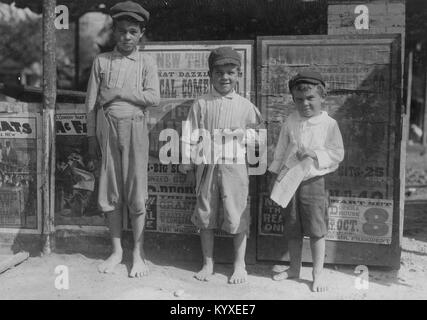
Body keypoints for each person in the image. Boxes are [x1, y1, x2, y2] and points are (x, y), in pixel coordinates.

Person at [85, 1, 160, 278]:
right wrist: (92, 136)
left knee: (136, 191)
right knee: (110, 189)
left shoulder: (146, 62)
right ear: (113, 32)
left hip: (136, 129)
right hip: (107, 130)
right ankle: (116, 252)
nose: (126, 37)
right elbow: (91, 103)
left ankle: (138, 255)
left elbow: (153, 97)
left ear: (141, 33)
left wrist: (120, 94)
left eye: (132, 31)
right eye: (121, 31)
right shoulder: (102, 61)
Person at [179, 47, 263, 284]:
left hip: (235, 167)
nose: (225, 77)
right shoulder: (202, 103)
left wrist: (239, 134)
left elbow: (258, 138)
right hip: (206, 165)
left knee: (236, 213)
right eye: (219, 72)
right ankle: (208, 263)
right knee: (206, 213)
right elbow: (189, 133)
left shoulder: (246, 106)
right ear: (210, 74)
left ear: (239, 75)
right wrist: (187, 163)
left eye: (230, 72)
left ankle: (239, 264)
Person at [268, 71, 344, 292]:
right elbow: (282, 149)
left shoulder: (329, 124)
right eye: (299, 99)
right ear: (293, 100)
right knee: (292, 226)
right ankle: (294, 268)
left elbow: (337, 153)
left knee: (316, 228)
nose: (305, 104)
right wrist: (275, 174)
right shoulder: (291, 121)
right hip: (290, 181)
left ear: (322, 97)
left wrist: (314, 153)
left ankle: (317, 274)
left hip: (313, 181)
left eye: (310, 98)